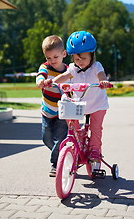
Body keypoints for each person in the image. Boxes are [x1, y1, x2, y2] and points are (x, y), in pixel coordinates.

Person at [51, 31, 111, 167]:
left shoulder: (97, 66)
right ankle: (77, 142)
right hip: (79, 104)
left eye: (83, 58)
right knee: (71, 120)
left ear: (91, 55)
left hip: (97, 105)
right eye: (76, 59)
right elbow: (64, 76)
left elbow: (101, 75)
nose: (80, 62)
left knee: (96, 129)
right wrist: (52, 81)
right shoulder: (73, 68)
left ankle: (95, 150)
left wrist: (103, 82)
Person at [36, 35, 69, 177]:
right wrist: (41, 81)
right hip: (48, 111)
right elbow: (40, 75)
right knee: (47, 138)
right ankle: (61, 154)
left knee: (59, 138)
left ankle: (56, 164)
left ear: (64, 54)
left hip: (64, 111)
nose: (52, 61)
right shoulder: (46, 67)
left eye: (55, 57)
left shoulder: (69, 70)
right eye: (49, 58)